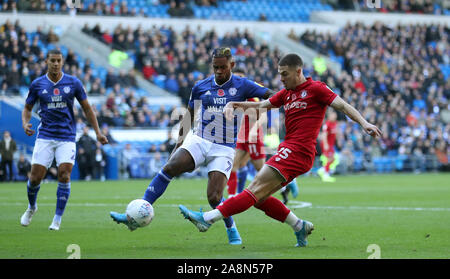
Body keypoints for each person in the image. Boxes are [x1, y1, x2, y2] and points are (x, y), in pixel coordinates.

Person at [179, 53, 381, 247]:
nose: (281, 78)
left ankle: (207, 218)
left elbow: (343, 106)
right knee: (260, 199)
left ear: (298, 71)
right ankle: (299, 225)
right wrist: (235, 104)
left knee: (255, 187)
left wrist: (364, 123)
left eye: (285, 74)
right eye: (279, 73)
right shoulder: (286, 94)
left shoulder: (316, 89)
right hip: (290, 149)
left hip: (299, 150)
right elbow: (263, 105)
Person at [110, 47, 276, 245]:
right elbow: (188, 116)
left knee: (214, 197)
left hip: (224, 148)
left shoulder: (243, 85)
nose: (219, 71)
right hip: (200, 139)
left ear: (231, 65)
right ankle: (137, 213)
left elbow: (272, 96)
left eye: (223, 67)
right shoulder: (201, 86)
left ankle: (231, 228)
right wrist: (178, 144)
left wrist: (283, 98)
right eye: (216, 67)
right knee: (170, 167)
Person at [20, 49, 108, 231]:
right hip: (45, 136)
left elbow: (87, 109)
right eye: (52, 60)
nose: (55, 64)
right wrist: (25, 123)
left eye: (58, 61)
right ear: (46, 61)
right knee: (35, 178)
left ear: (62, 62)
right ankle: (31, 207)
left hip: (67, 137)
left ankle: (57, 219)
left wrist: (98, 132)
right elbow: (27, 108)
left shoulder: (73, 83)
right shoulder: (38, 84)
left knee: (64, 175)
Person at [226, 68, 268, 198]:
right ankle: (233, 196)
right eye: (235, 77)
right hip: (242, 136)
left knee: (261, 170)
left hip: (253, 137)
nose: (237, 80)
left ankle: (286, 186)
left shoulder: (251, 97)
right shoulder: (234, 94)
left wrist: (254, 131)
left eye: (240, 77)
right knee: (234, 165)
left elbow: (263, 116)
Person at [317, 109, 339, 182]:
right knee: (329, 159)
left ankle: (321, 170)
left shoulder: (335, 123)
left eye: (335, 115)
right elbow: (324, 135)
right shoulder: (327, 124)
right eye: (333, 115)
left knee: (333, 159)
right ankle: (325, 175)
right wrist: (326, 144)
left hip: (331, 144)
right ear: (329, 116)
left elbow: (334, 134)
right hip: (326, 144)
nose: (335, 116)